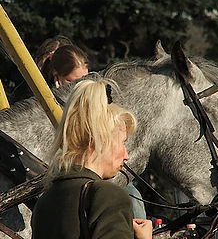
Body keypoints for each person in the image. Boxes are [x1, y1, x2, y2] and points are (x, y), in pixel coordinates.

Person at [31, 78, 152, 239]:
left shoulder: (46, 200)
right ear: (101, 140)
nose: (126, 155)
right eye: (123, 143)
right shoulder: (108, 195)